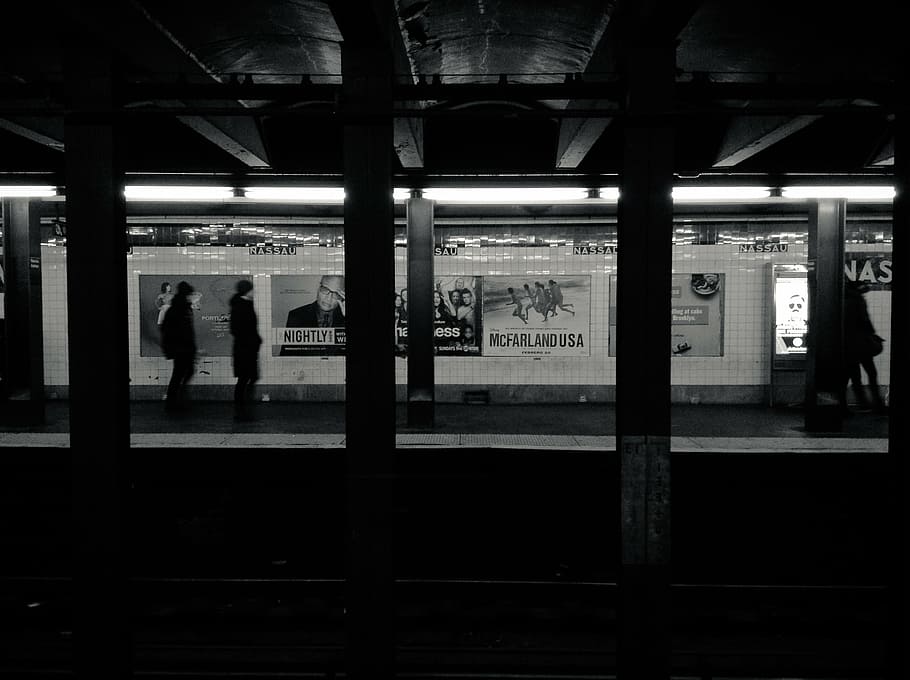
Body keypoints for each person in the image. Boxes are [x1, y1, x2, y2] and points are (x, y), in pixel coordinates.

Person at [843, 279, 886, 413]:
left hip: (848, 345)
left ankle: (847, 405)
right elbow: (864, 321)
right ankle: (876, 404)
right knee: (872, 373)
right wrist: (873, 335)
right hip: (862, 344)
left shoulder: (843, 299)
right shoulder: (858, 300)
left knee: (853, 376)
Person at [160, 281, 197, 414]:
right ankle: (174, 401)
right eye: (189, 294)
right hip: (182, 348)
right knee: (180, 374)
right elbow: (176, 330)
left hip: (183, 348)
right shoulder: (179, 309)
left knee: (182, 373)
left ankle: (176, 400)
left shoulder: (181, 308)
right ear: (186, 294)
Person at [229, 279, 262, 421]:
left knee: (248, 378)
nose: (254, 292)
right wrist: (253, 340)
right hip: (244, 350)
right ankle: (241, 411)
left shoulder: (245, 304)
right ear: (246, 291)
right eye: (252, 290)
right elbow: (237, 329)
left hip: (247, 349)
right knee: (244, 379)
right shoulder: (240, 306)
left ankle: (244, 409)